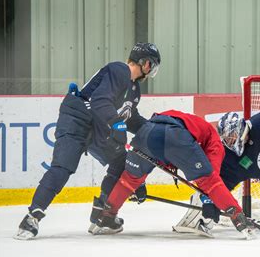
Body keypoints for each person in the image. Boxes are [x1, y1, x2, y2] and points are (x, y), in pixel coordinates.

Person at [14, 42, 161, 240]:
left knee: (122, 162)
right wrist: (116, 125)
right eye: (151, 65)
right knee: (63, 167)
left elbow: (130, 117)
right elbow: (100, 100)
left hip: (97, 125)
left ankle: (102, 216)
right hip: (77, 120)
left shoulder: (134, 90)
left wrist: (154, 129)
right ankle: (32, 217)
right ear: (145, 63)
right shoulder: (120, 70)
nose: (151, 71)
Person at [91, 110, 256, 239]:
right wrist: (208, 201)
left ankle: (107, 217)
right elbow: (212, 181)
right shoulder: (213, 140)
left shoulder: (186, 120)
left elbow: (160, 145)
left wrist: (139, 183)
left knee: (129, 179)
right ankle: (238, 217)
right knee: (209, 181)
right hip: (174, 135)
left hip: (147, 131)